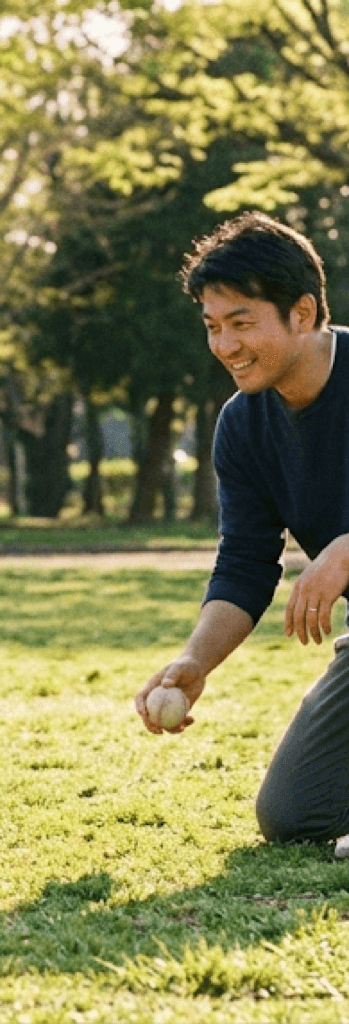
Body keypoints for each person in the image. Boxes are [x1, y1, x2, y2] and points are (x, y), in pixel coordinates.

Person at [134, 211, 349, 854]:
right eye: (212, 327)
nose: (225, 345)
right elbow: (246, 563)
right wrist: (195, 662)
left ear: (303, 313)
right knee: (292, 815)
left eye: (241, 323)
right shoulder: (242, 425)